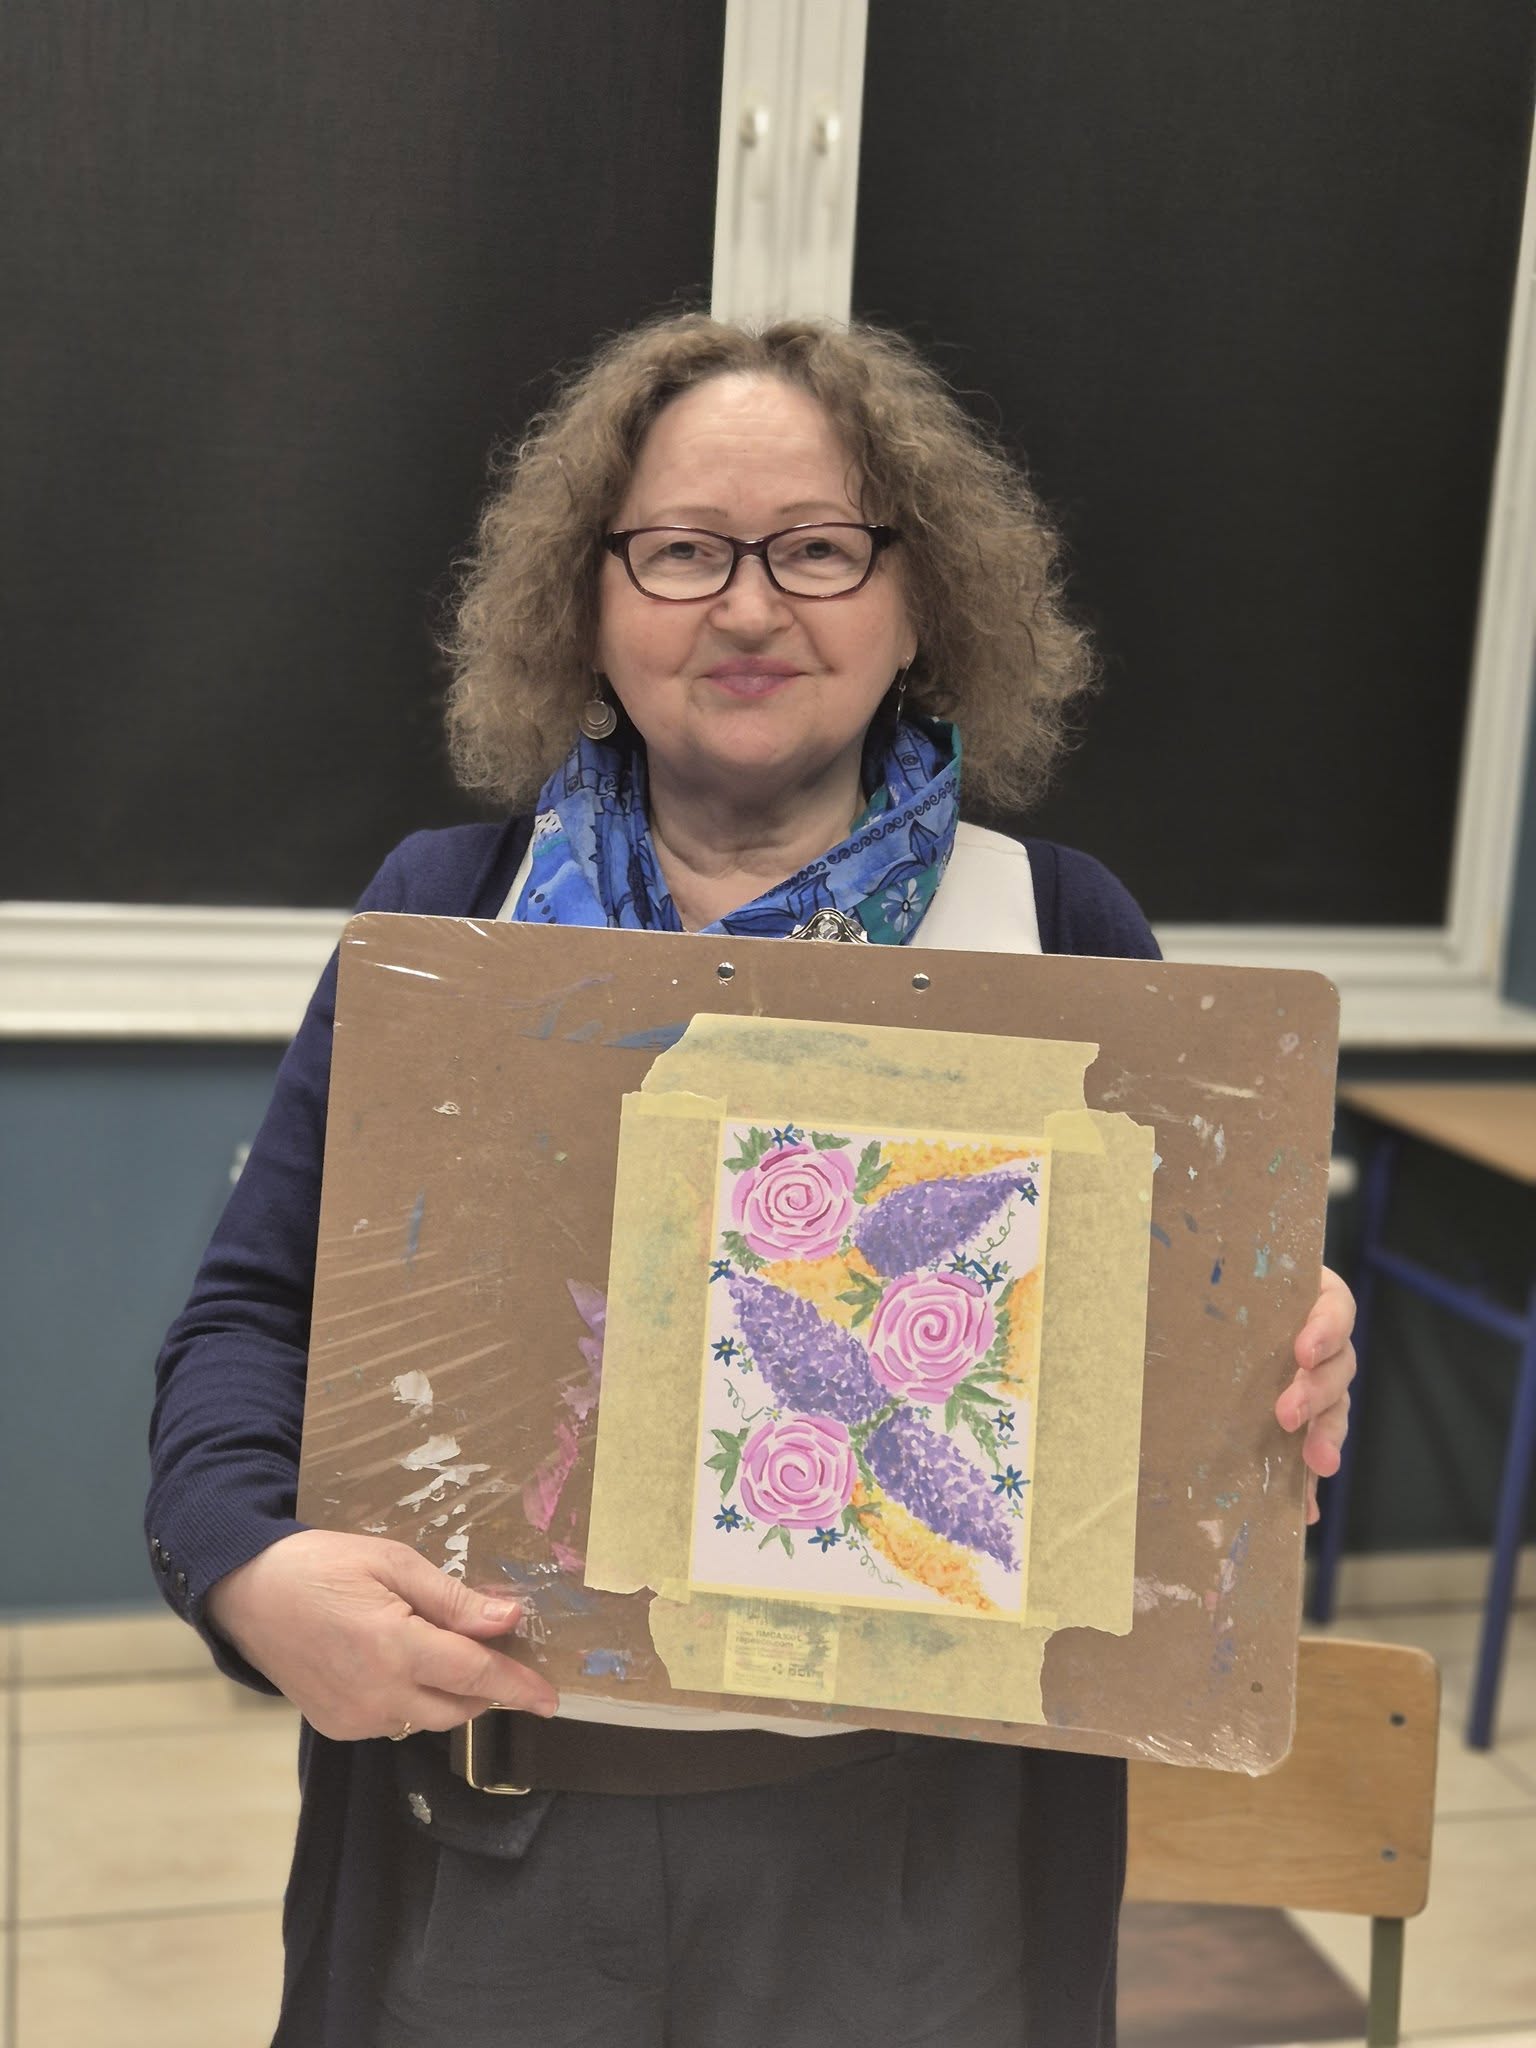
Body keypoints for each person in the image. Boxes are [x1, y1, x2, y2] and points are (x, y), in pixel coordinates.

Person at [148, 315, 1356, 2048]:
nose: (748, 606)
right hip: (489, 1846)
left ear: (919, 598)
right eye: (683, 550)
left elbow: (1170, 1440)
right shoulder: (448, 913)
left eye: (817, 547)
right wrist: (245, 1571)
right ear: (589, 598)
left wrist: (1268, 1374)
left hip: (912, 1873)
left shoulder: (1062, 930)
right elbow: (249, 1326)